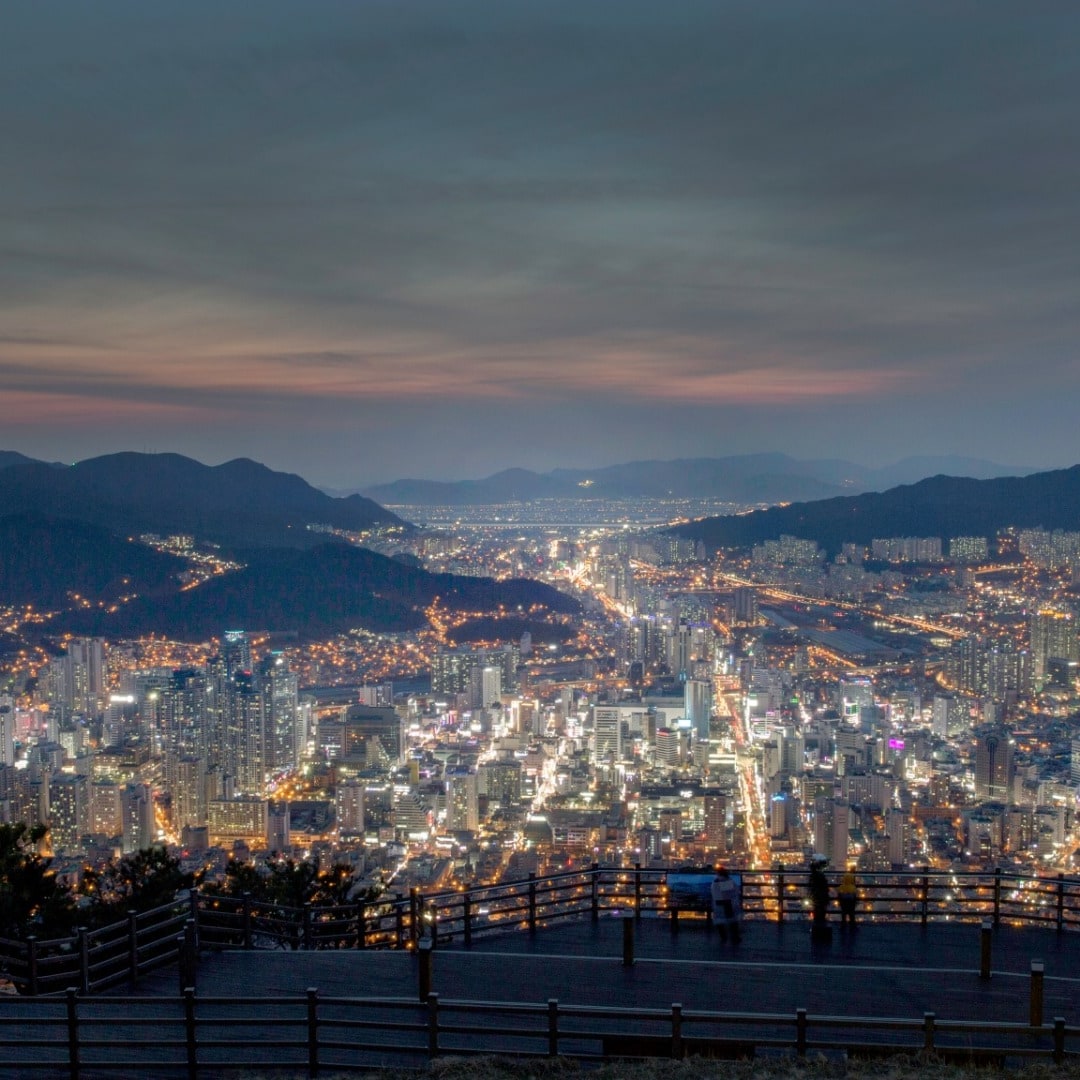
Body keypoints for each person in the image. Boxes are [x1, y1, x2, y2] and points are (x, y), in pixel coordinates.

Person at [711, 866, 741, 944]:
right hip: (729, 904)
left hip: (719, 904)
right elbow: (732, 892)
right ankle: (734, 936)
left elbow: (715, 893)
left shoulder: (715, 882)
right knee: (732, 921)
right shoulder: (728, 881)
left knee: (719, 921)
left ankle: (723, 936)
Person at [808, 855, 831, 939]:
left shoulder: (813, 876)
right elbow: (824, 887)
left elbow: (811, 886)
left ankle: (817, 928)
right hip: (821, 897)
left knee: (817, 912)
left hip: (816, 897)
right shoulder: (820, 876)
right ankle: (821, 930)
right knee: (821, 912)